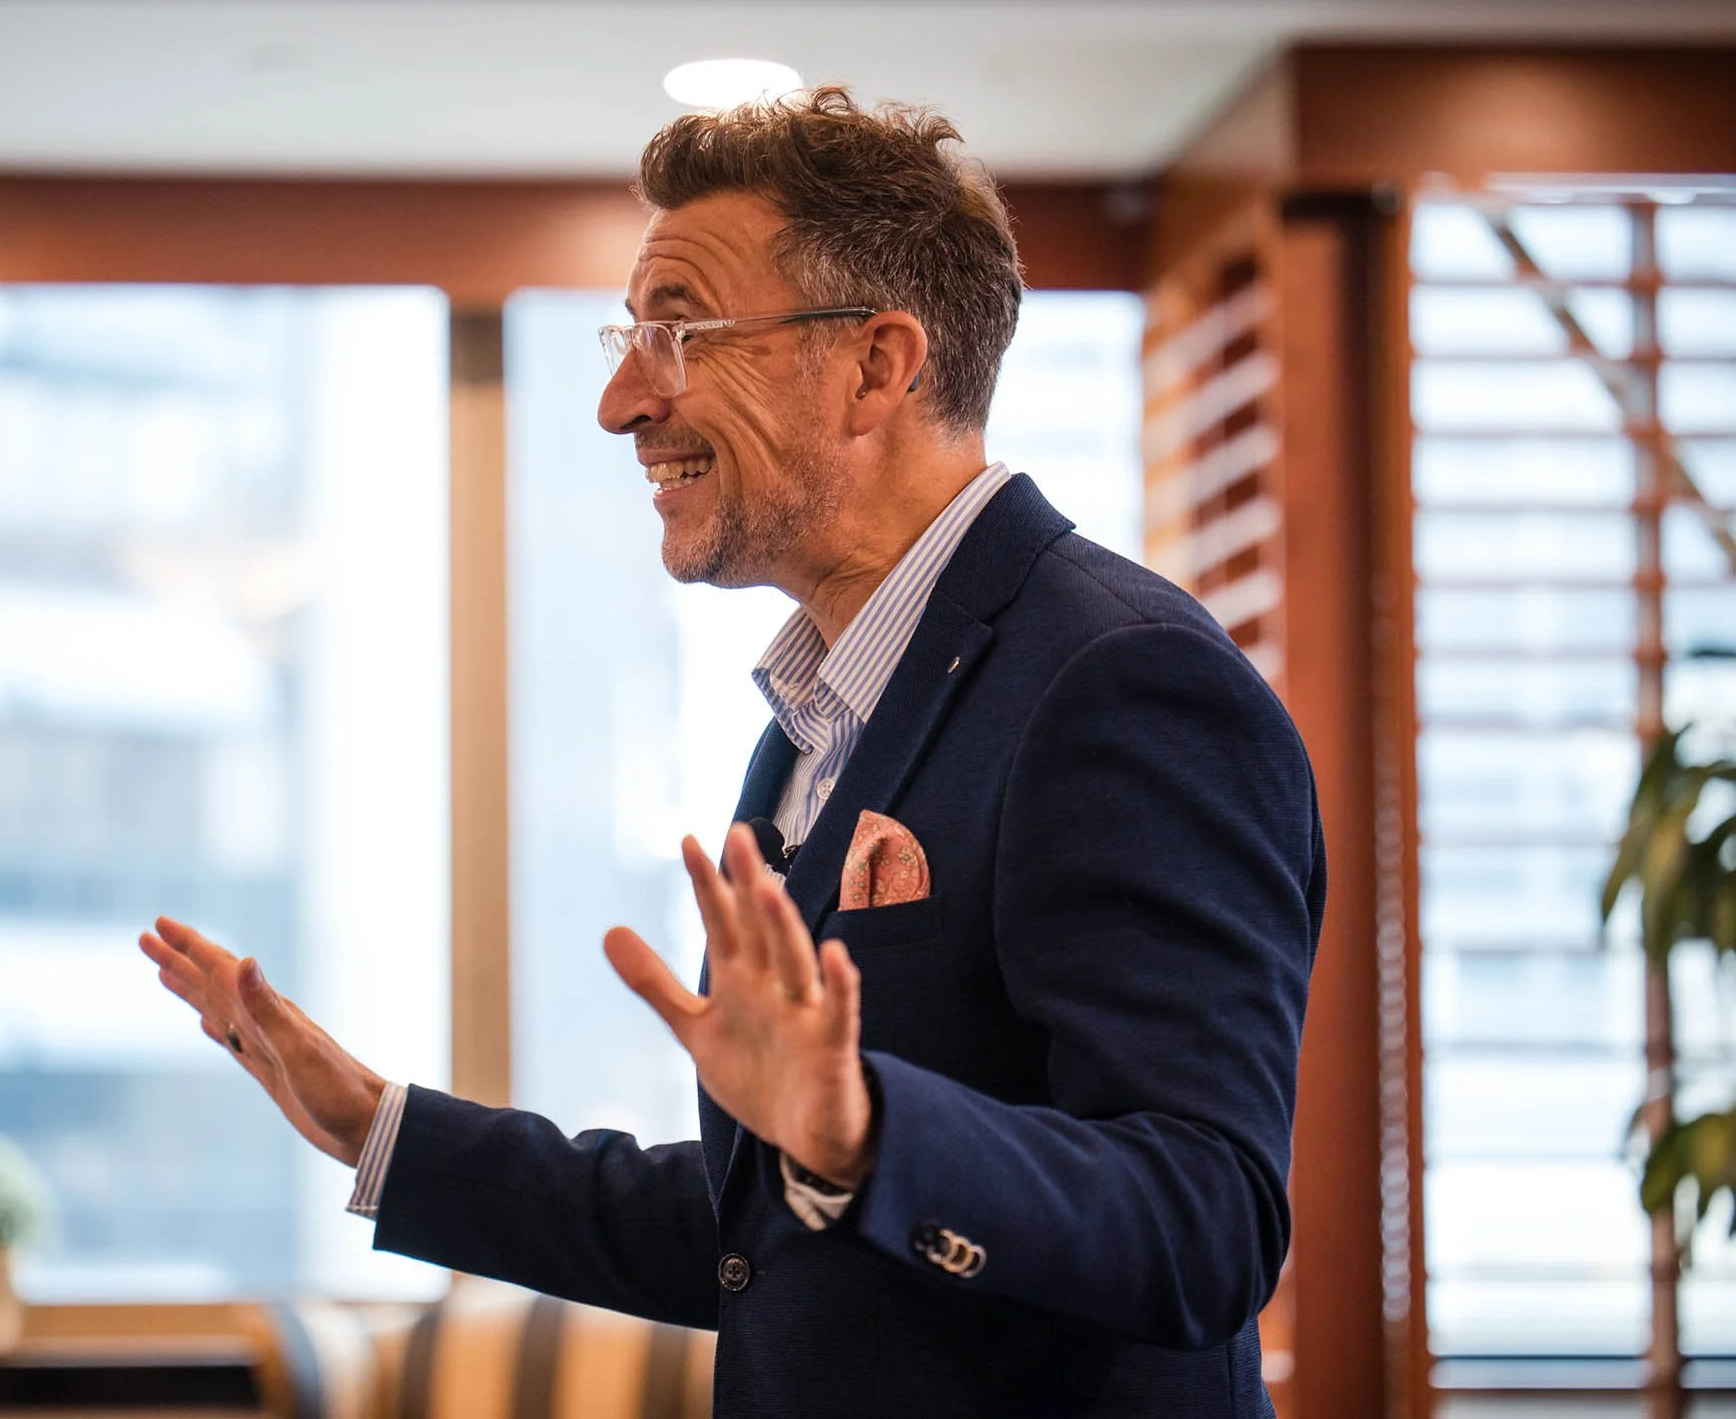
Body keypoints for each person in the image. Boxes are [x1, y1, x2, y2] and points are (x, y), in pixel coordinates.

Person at [141, 87, 1321, 1417]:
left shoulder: (1122, 680)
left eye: (679, 334)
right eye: (627, 339)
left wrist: (863, 1133)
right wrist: (382, 1130)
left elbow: (1203, 1222)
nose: (620, 403)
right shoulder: (816, 720)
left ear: (875, 366)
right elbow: (770, 1235)